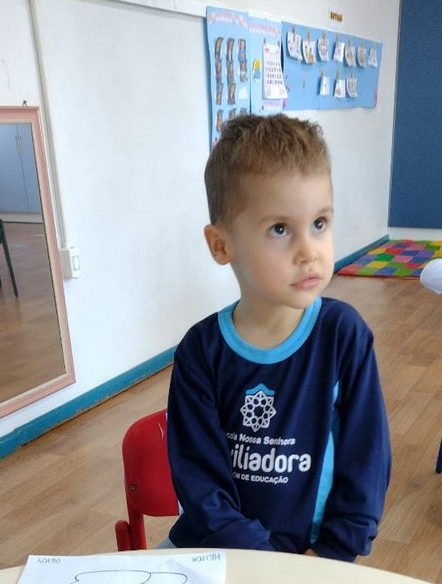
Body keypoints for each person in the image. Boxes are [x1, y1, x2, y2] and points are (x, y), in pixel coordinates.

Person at [166, 114, 391, 561]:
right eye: (280, 229)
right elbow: (200, 483)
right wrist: (261, 561)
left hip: (314, 558)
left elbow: (367, 464)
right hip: (216, 551)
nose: (309, 251)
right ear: (221, 245)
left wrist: (330, 553)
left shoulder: (343, 336)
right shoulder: (200, 351)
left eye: (320, 223)